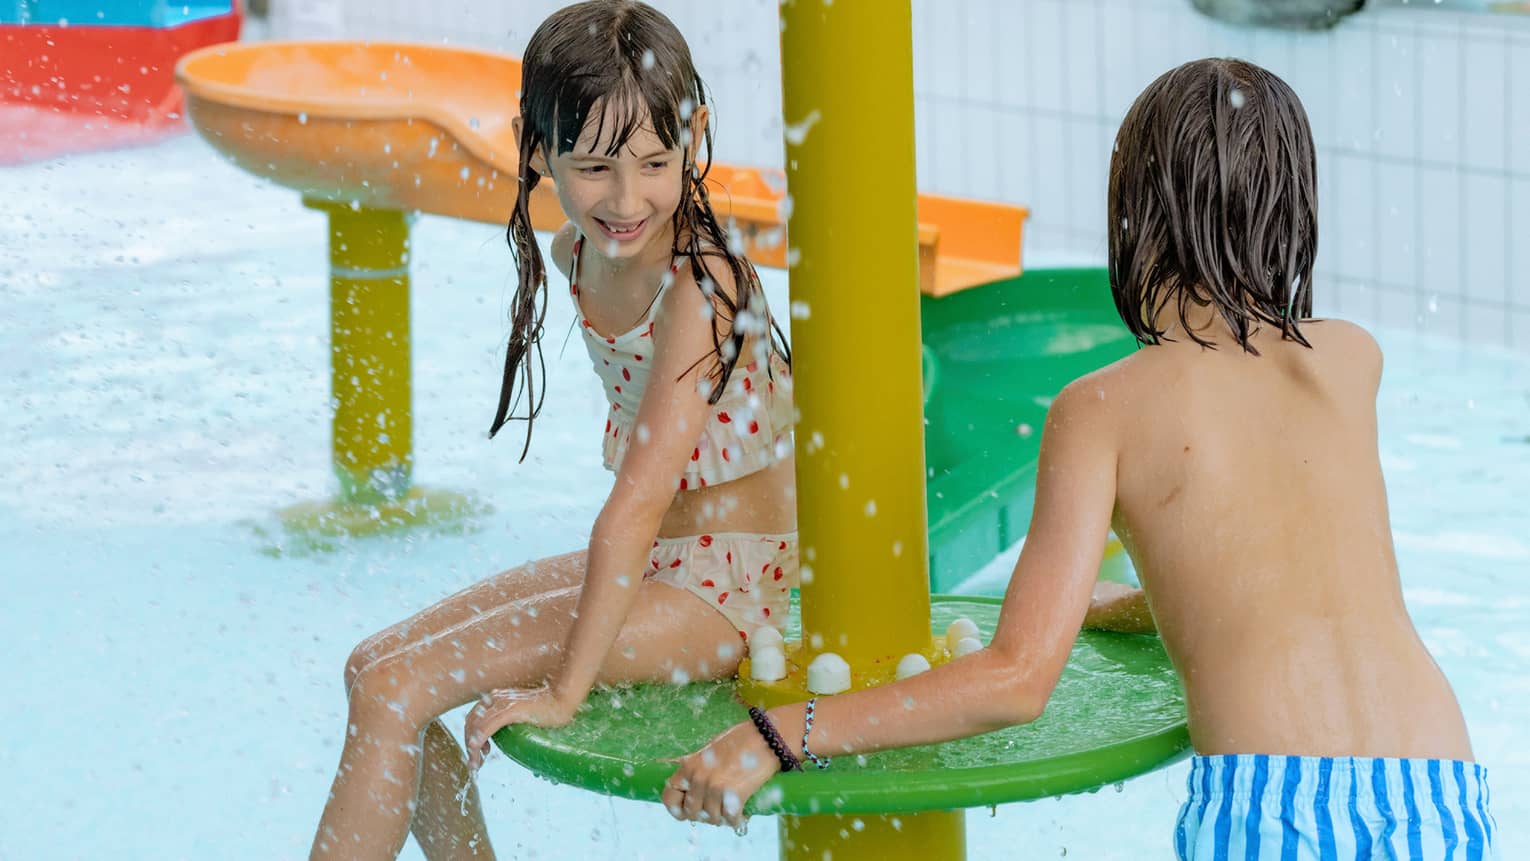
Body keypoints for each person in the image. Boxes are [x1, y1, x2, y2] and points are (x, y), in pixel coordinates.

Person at [665, 58, 1497, 860]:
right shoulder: (1352, 360)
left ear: (1133, 210)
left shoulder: (1103, 407)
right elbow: (1286, 564)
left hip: (1272, 801)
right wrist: (1135, 603)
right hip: (1438, 781)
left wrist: (785, 730)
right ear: (1291, 206)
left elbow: (1016, 678)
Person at [308, 2, 796, 858]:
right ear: (537, 147)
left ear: (696, 136)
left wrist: (564, 690)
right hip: (670, 563)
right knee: (374, 670)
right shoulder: (577, 252)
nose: (628, 197)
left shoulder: (699, 284)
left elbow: (638, 504)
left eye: (655, 162)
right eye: (597, 166)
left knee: (394, 687)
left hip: (727, 591)